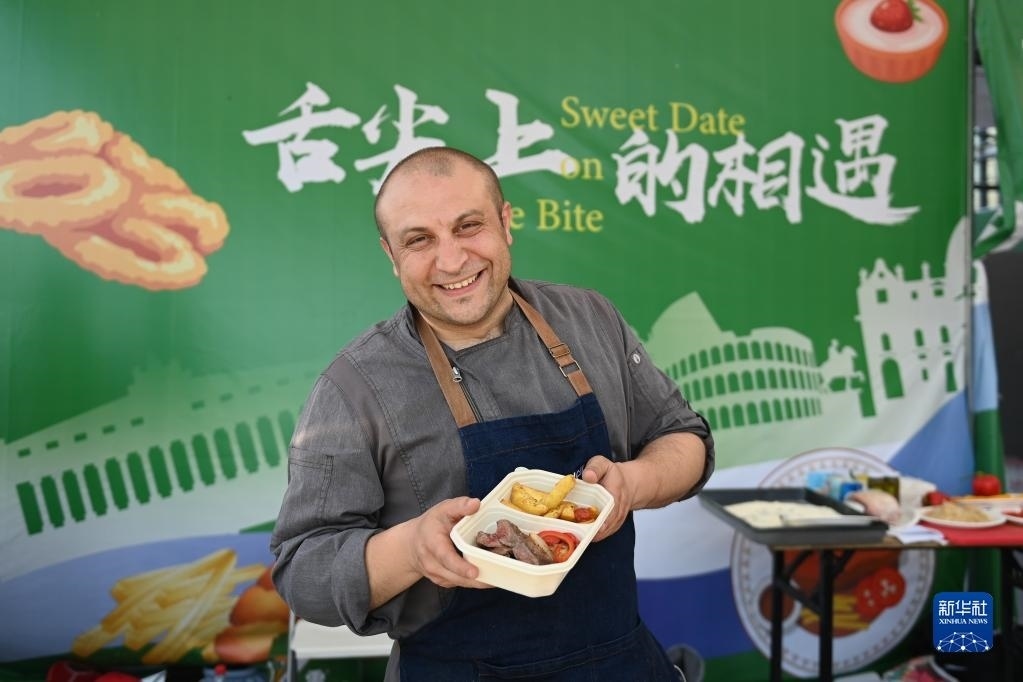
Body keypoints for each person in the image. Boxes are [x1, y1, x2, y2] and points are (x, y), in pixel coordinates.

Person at [270, 146, 714, 680]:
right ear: (391, 254)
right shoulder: (354, 388)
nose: (451, 260)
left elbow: (685, 438)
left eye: (468, 226)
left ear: (506, 223)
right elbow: (304, 573)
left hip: (618, 661)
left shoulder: (590, 318)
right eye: (419, 240)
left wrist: (632, 485)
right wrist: (413, 549)